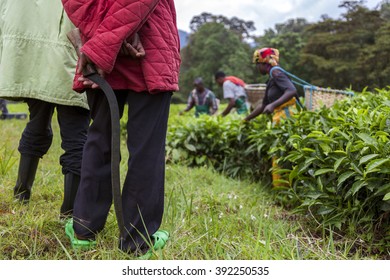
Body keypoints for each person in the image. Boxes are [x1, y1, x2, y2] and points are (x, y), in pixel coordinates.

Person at [61, 0, 181, 257]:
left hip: (100, 51)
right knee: (147, 148)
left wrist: (100, 39)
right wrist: (115, 38)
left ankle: (84, 229)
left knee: (99, 138)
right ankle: (137, 241)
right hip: (149, 49)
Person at [0, 0, 90, 219]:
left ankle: (21, 197)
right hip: (70, 51)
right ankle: (69, 214)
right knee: (76, 136)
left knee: (38, 122)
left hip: (30, 55)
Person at [244, 48, 298, 187]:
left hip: (287, 116)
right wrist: (247, 119)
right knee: (279, 153)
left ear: (264, 63)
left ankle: (285, 190)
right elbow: (263, 105)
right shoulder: (272, 77)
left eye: (258, 64)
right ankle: (281, 190)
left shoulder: (276, 72)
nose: (257, 68)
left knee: (282, 153)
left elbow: (291, 90)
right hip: (280, 116)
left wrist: (274, 105)